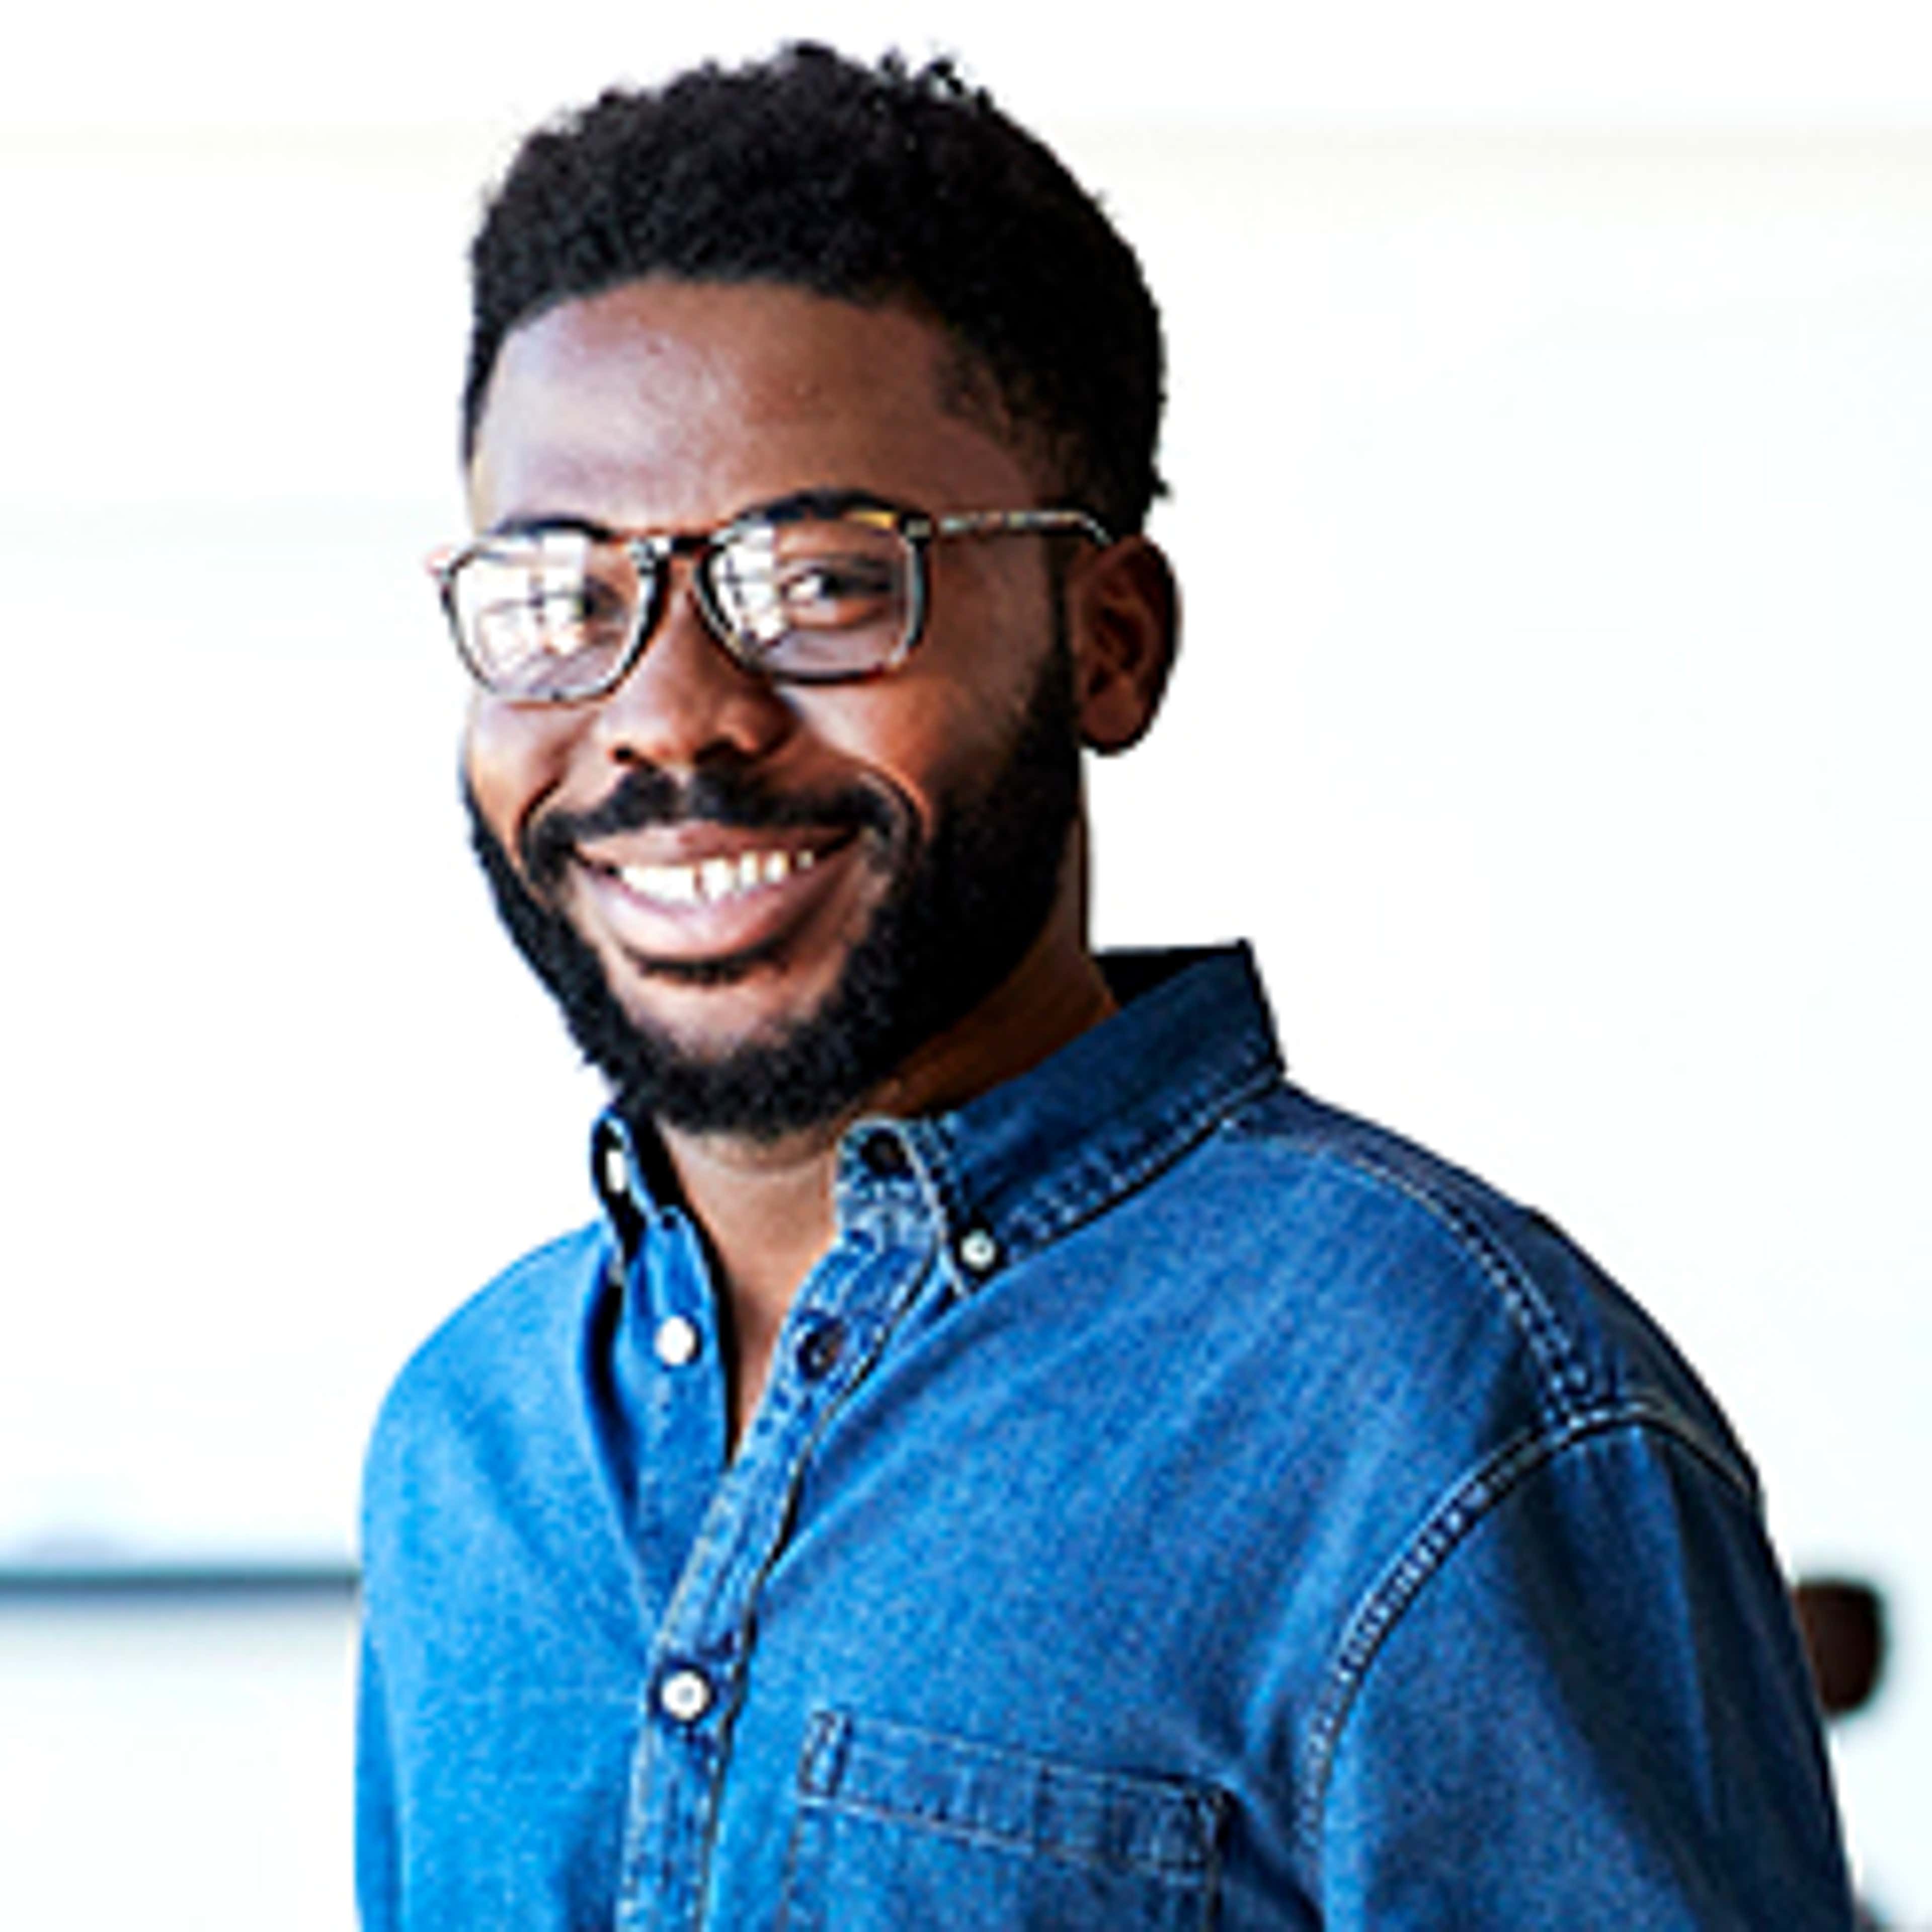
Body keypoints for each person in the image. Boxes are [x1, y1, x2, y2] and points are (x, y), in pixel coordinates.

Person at [356, 44, 1855, 1928]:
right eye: (564, 596)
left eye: (822, 583)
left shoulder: (1439, 1412)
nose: (669, 716)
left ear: (1111, 645)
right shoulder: (465, 1449)